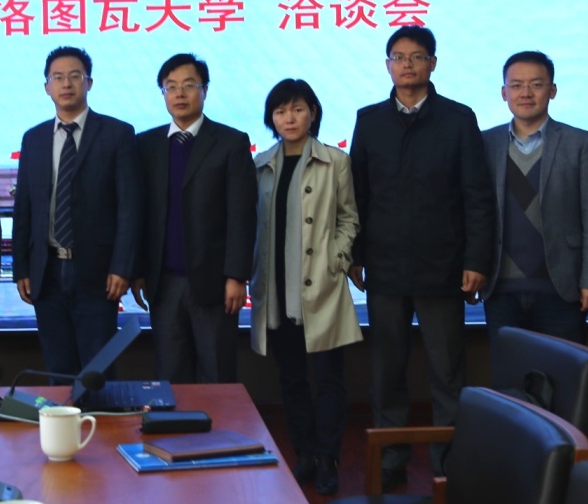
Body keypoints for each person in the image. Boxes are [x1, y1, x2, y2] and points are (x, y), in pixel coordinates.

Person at [349, 26, 494, 489]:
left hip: (443, 267)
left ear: (433, 63)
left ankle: (449, 460)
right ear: (387, 65)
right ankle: (391, 457)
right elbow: (357, 195)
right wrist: (355, 255)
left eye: (416, 56)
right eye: (398, 56)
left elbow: (476, 196)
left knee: (447, 371)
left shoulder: (458, 118)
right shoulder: (369, 119)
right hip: (385, 267)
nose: (407, 64)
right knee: (387, 371)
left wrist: (476, 259)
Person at [249, 78, 361, 496]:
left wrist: (338, 259)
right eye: (280, 111)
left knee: (330, 379)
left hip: (322, 289)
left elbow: (349, 218)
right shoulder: (260, 164)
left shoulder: (336, 161)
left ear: (313, 113)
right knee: (291, 380)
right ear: (271, 118)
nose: (289, 118)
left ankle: (329, 456)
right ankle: (306, 454)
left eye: (297, 109)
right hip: (276, 290)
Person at [12, 46, 143, 376]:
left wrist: (122, 267)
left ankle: (98, 413)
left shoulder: (117, 134)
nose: (66, 84)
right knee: (57, 366)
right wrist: (22, 267)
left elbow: (129, 208)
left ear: (89, 83)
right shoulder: (34, 138)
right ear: (47, 86)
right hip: (47, 272)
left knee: (98, 369)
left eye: (75, 76)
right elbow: (25, 206)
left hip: (97, 272)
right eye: (57, 77)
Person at [132, 53, 255, 384]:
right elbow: (139, 213)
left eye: (189, 85)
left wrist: (236, 276)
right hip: (163, 283)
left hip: (214, 282)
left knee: (217, 373)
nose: (179, 94)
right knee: (171, 375)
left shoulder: (230, 142)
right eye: (170, 87)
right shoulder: (145, 144)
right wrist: (138, 270)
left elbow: (242, 214)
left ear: (205, 90)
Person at [481, 51, 588, 343]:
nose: (526, 93)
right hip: (500, 289)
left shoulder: (580, 143)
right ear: (504, 93)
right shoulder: (485, 143)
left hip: (561, 287)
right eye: (516, 85)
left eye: (536, 85)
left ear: (552, 90)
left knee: (563, 369)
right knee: (509, 370)